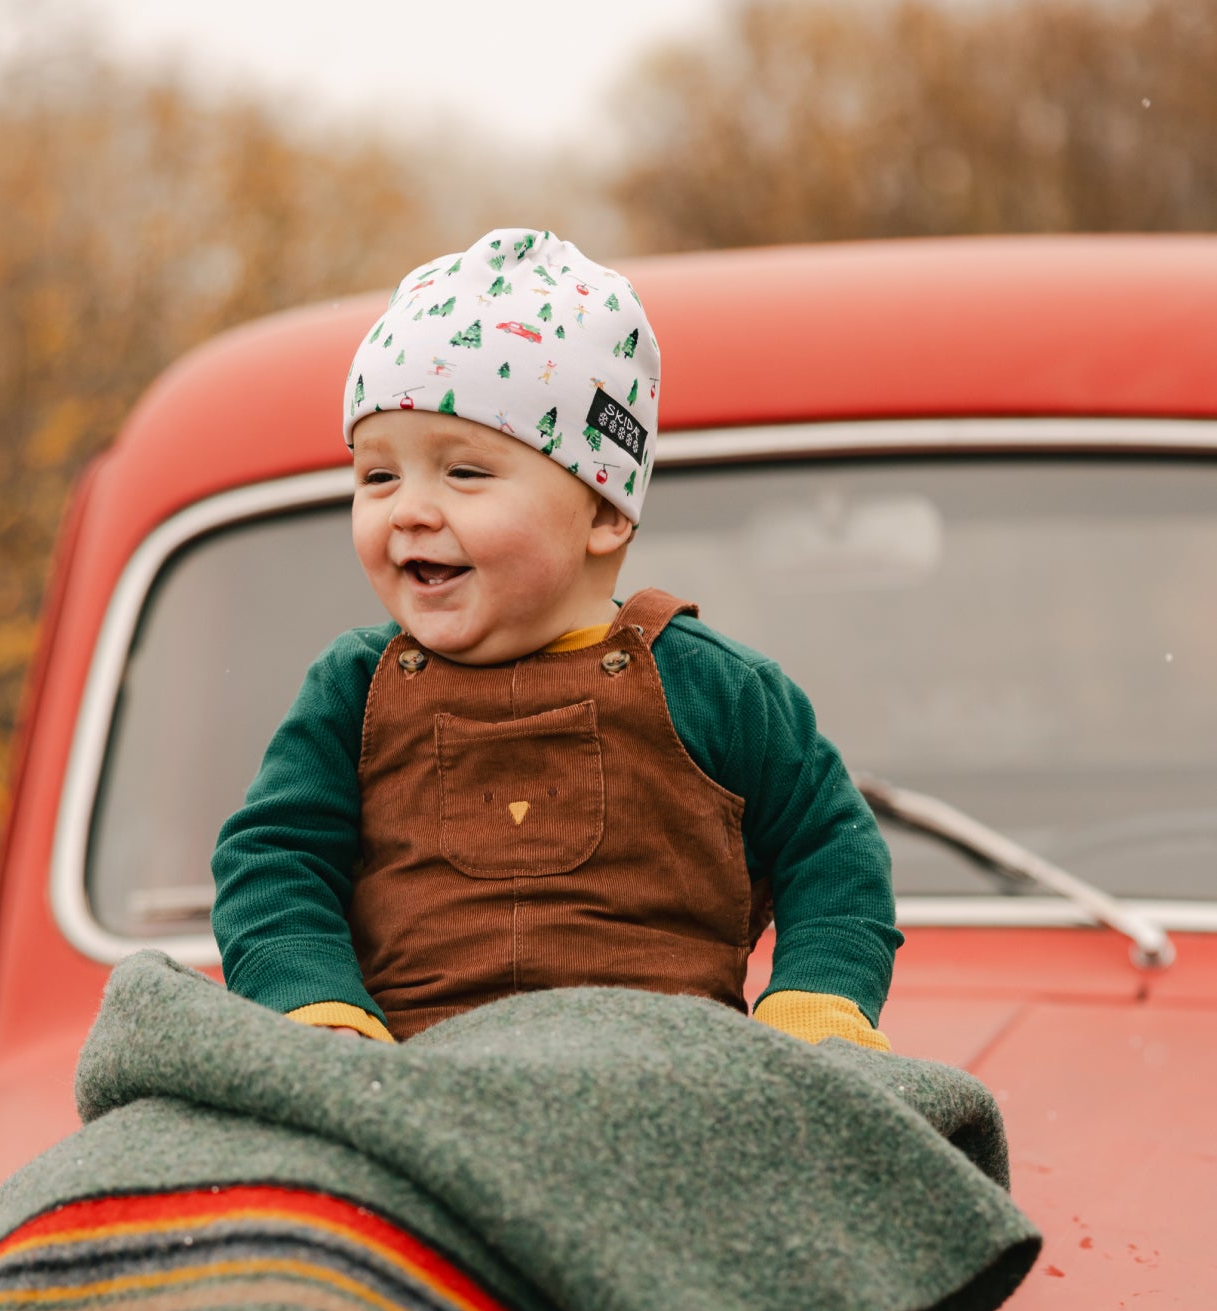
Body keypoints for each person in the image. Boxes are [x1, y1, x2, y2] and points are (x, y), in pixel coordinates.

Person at [211, 228, 901, 1047]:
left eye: (464, 472)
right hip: (408, 1086)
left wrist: (816, 1003)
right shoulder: (354, 692)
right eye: (377, 476)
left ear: (606, 511)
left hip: (672, 1086)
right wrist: (314, 1007)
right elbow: (271, 860)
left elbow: (834, 849)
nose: (408, 510)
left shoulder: (719, 690)